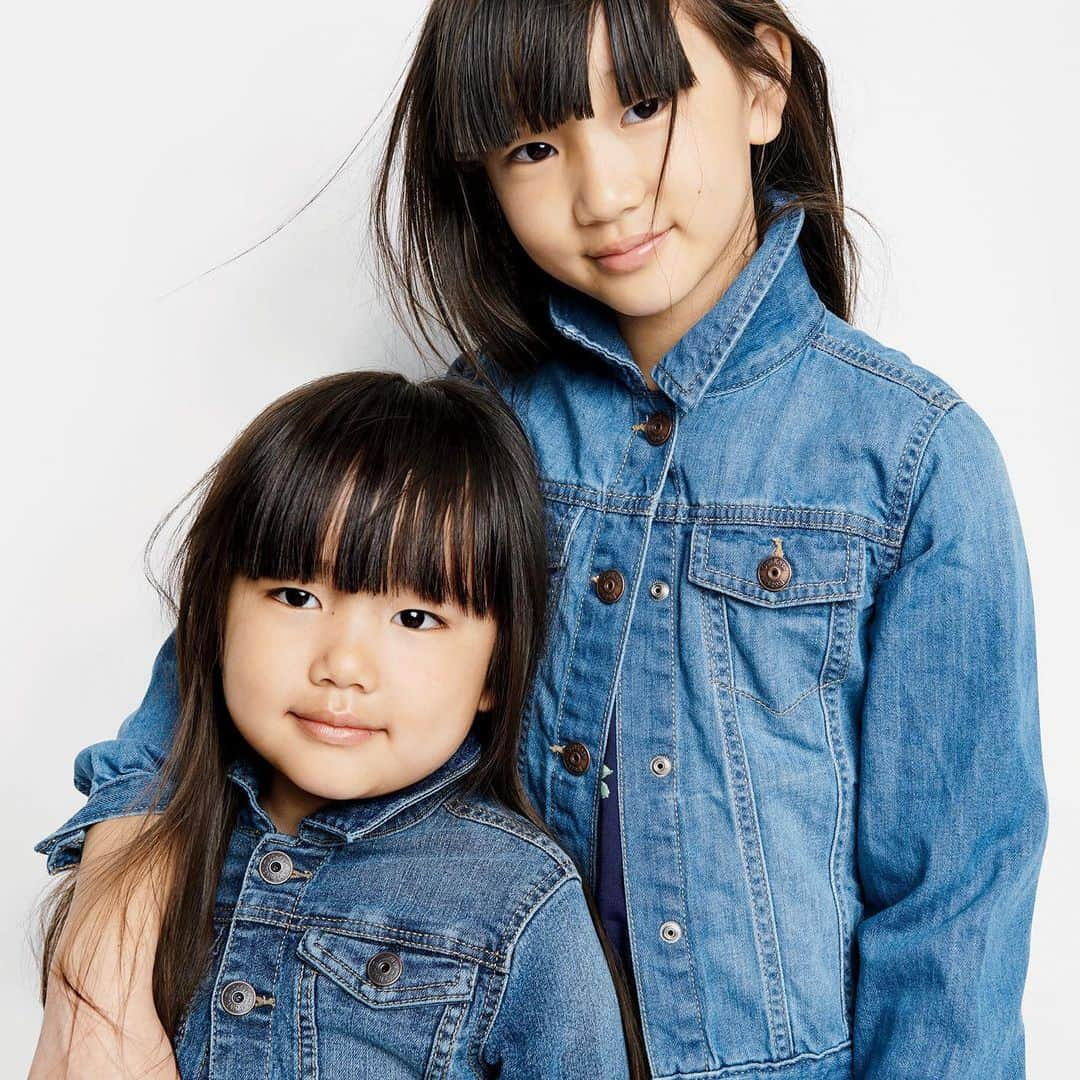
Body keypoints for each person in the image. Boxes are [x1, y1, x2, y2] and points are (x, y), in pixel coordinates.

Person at [34, 2, 1048, 1077]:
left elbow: (955, 901)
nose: (602, 192)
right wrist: (95, 1000)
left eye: (645, 106)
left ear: (763, 87)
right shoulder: (469, 435)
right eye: (533, 144)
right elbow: (183, 731)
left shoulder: (909, 461)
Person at [32, 371, 644, 1078]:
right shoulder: (158, 853)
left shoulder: (521, 904)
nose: (344, 665)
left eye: (416, 618)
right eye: (296, 596)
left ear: (497, 673)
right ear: (216, 615)